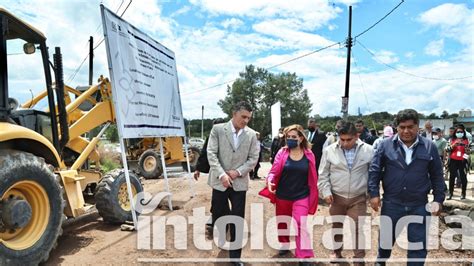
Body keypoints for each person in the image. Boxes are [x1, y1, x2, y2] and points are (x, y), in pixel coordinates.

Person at [368, 109, 445, 265]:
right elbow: (375, 170)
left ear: (418, 126)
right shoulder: (385, 145)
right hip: (392, 203)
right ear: (397, 127)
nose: (406, 131)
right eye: (402, 127)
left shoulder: (429, 147)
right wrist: (374, 194)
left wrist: (438, 199)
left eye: (410, 127)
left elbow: (437, 175)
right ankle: (380, 262)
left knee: (418, 245)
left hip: (419, 204)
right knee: (386, 240)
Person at [207, 101, 259, 265]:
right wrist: (222, 174)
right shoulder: (217, 130)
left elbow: (253, 159)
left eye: (248, 118)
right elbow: (211, 153)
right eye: (243, 116)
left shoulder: (251, 135)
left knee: (238, 218)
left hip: (239, 184)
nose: (246, 121)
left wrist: (237, 172)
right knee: (218, 213)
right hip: (219, 181)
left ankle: (235, 257)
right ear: (234, 114)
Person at [318, 121, 374, 265]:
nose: (345, 143)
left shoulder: (368, 150)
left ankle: (359, 257)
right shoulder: (329, 150)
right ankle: (336, 252)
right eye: (342, 139)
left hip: (358, 197)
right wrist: (325, 191)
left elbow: (373, 174)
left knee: (358, 228)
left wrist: (372, 194)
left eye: (349, 139)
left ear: (357, 136)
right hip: (336, 197)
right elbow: (323, 174)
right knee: (337, 225)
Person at [265, 124, 318, 264]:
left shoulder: (309, 154)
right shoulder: (282, 153)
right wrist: (270, 181)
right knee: (283, 222)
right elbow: (273, 172)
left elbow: (313, 175)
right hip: (283, 195)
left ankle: (304, 255)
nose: (290, 140)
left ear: (301, 138)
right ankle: (284, 243)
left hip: (302, 195)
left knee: (301, 223)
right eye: (288, 137)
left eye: (293, 137)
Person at [193, 118, 225, 232]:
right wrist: (198, 169)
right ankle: (215, 218)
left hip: (231, 174)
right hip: (217, 174)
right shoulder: (211, 137)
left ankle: (226, 220)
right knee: (217, 198)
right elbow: (205, 152)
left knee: (225, 199)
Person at [446, 125, 470, 200]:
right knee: (452, 177)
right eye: (458, 132)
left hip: (462, 161)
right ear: (455, 132)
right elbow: (447, 149)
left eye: (461, 132)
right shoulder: (451, 140)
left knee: (463, 178)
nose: (459, 133)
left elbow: (469, 152)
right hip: (453, 160)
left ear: (464, 132)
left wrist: (466, 152)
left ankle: (463, 194)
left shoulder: (467, 140)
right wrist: (453, 145)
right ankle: (450, 193)